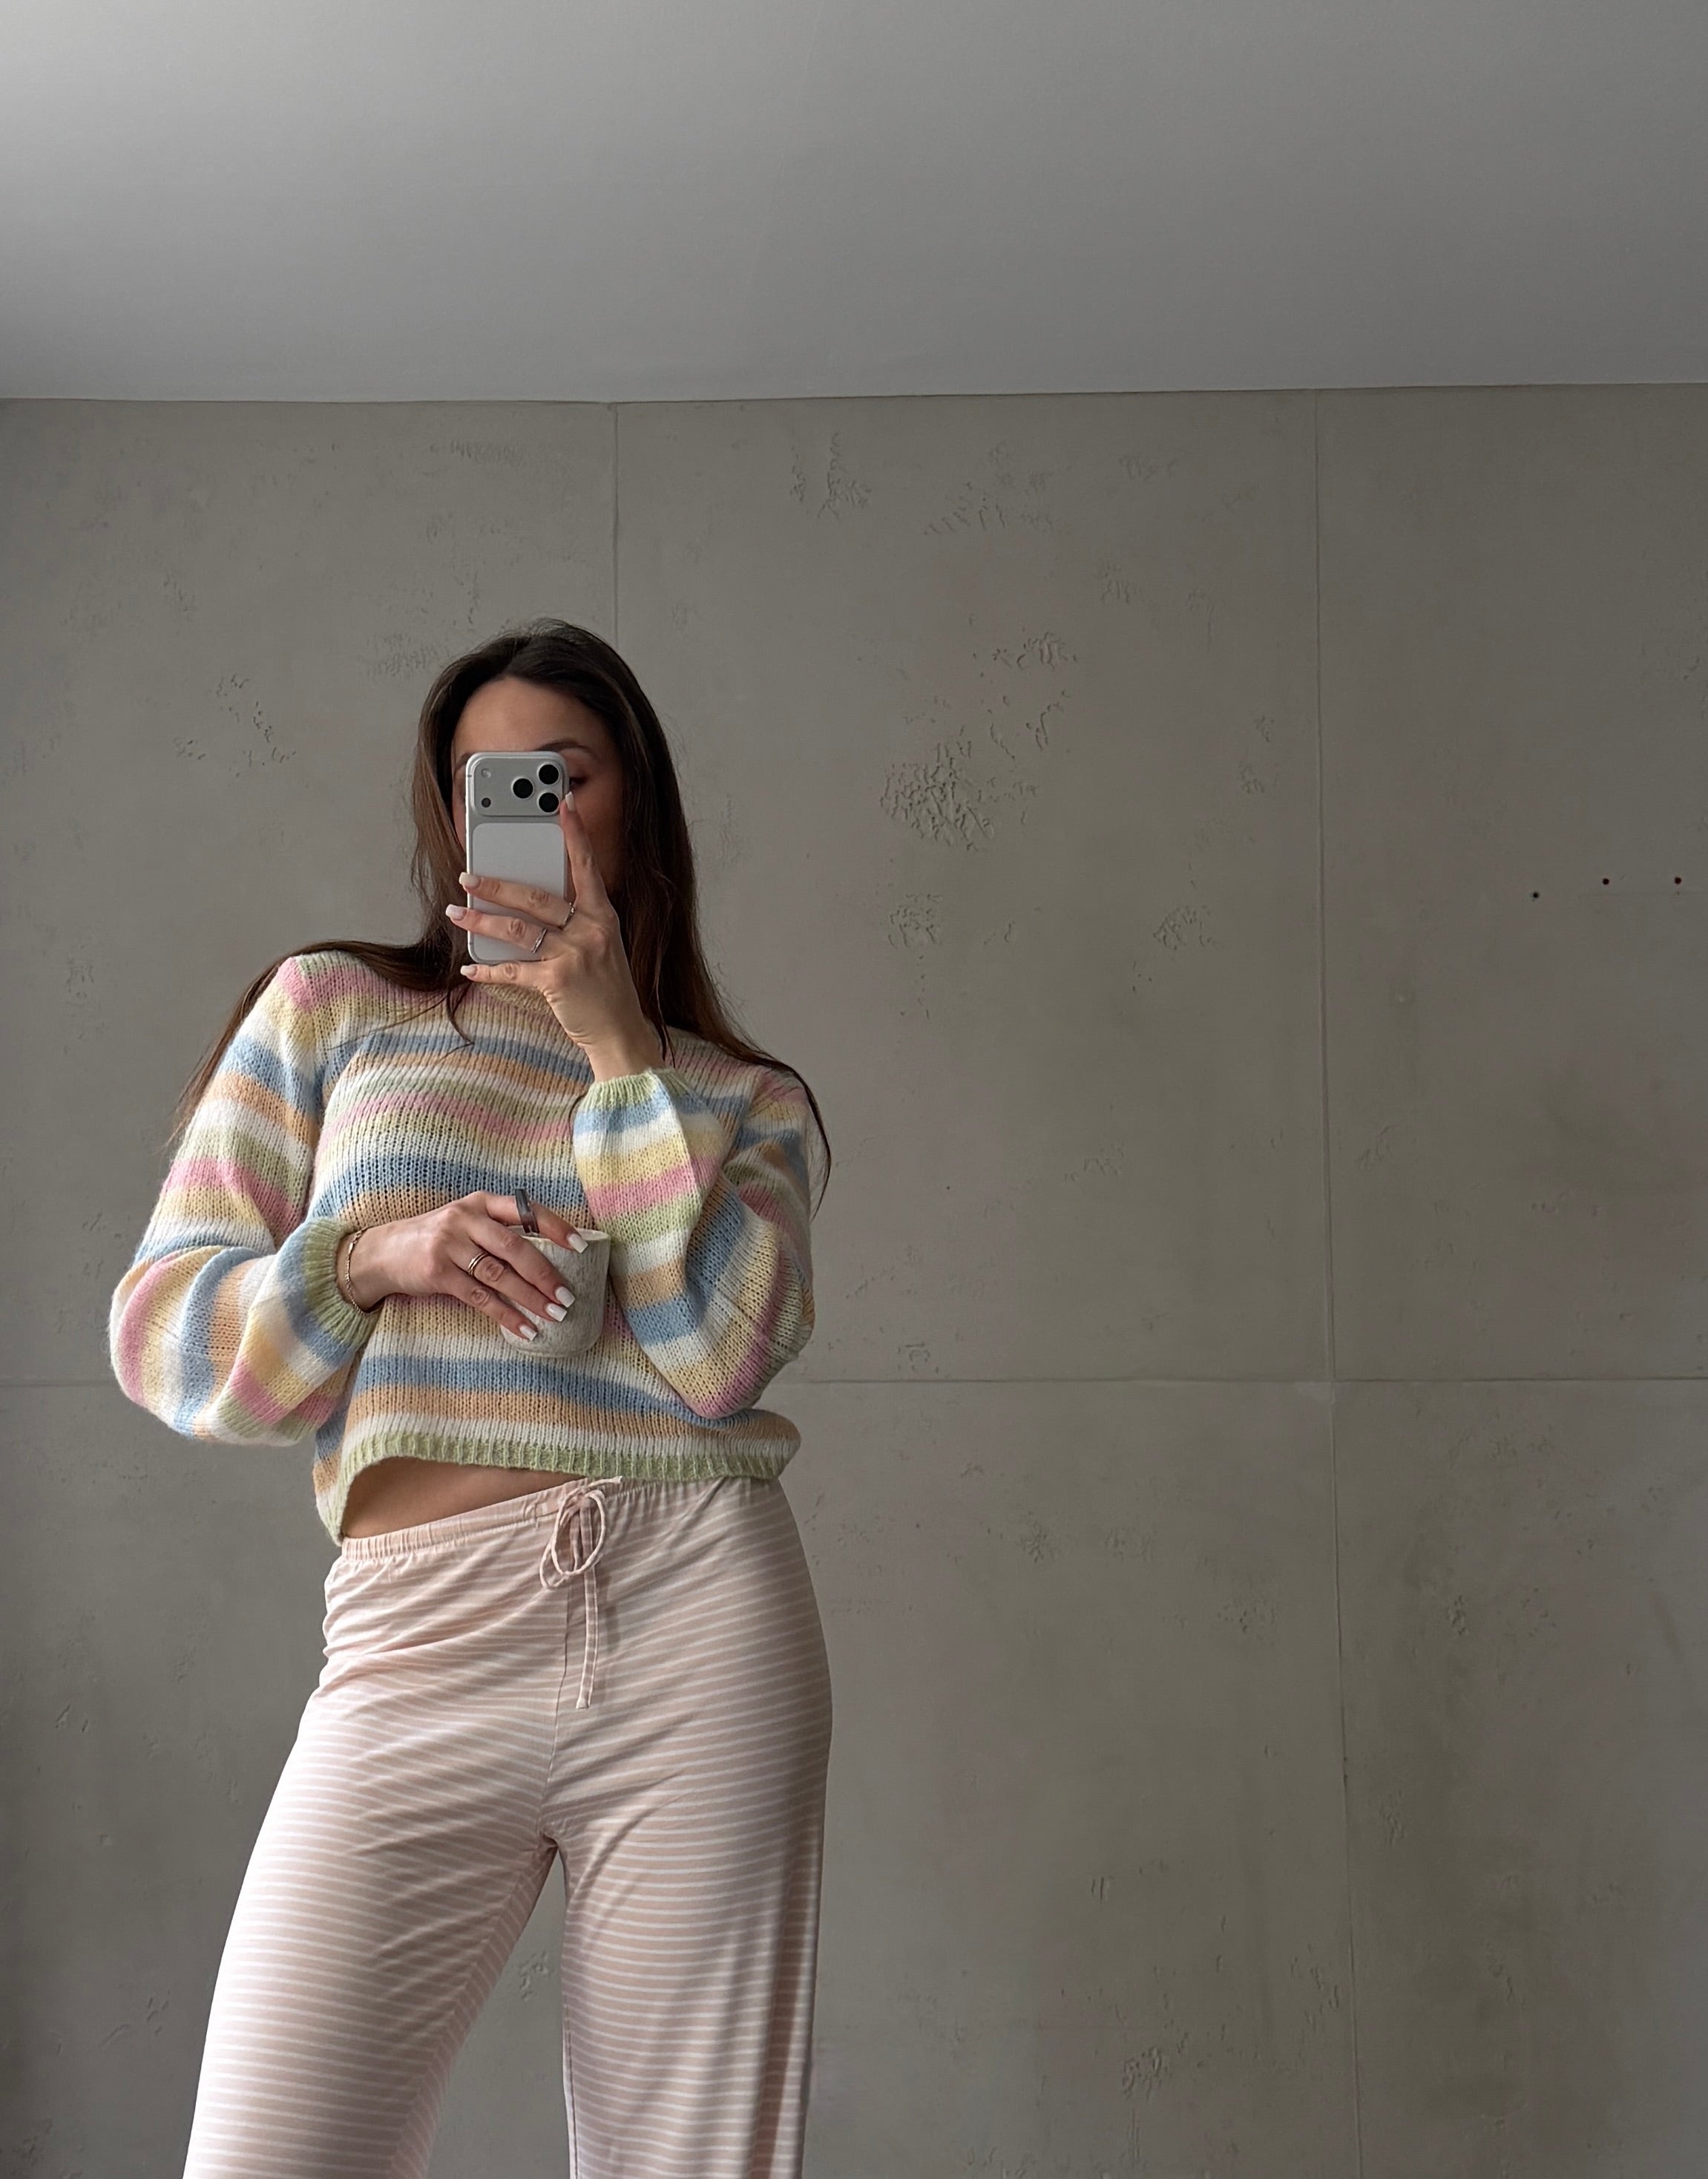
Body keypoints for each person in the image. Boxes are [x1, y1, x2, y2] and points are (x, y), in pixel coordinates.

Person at [108, 618, 835, 2179]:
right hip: (417, 1633)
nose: (524, 811)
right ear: (449, 815)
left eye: (561, 776)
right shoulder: (332, 1008)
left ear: (635, 806)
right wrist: (371, 1258)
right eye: (486, 782)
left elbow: (715, 1360)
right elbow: (167, 1339)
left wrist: (620, 1056)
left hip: (693, 1609)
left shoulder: (743, 1100)